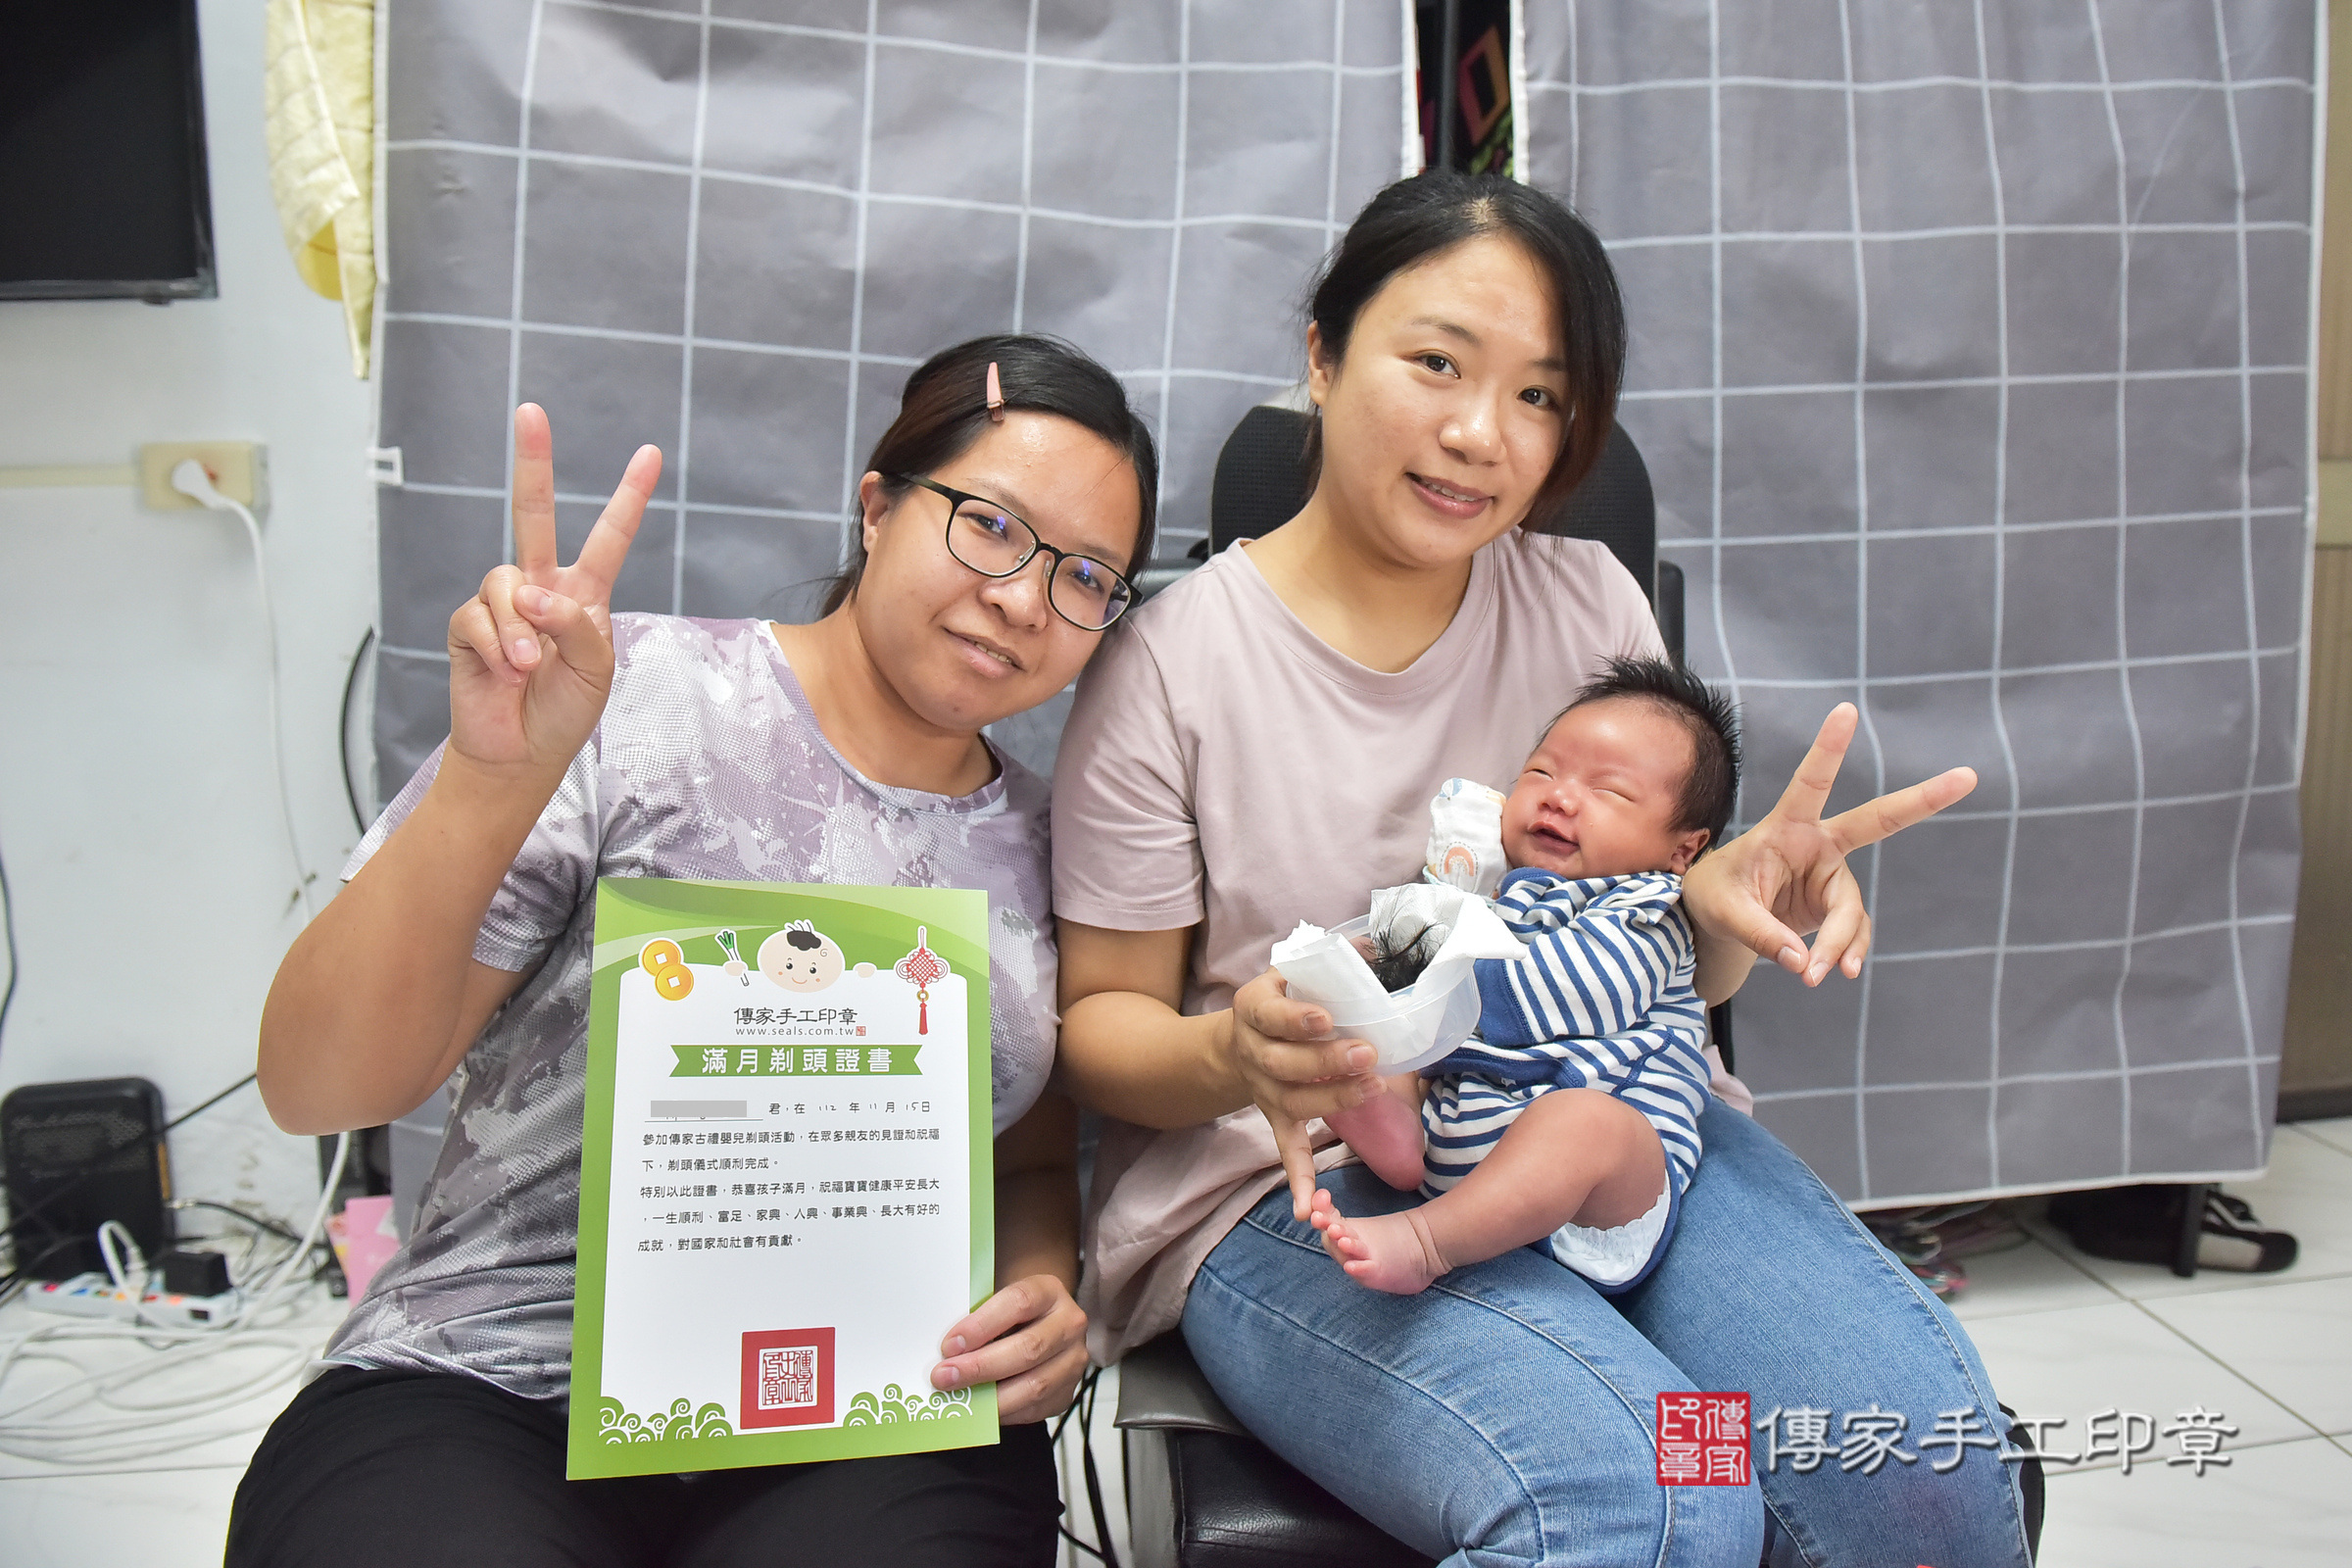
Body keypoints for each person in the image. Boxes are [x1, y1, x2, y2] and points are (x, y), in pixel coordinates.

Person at [1051, 172, 2033, 1567]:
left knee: (1919, 1478)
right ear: (1323, 353)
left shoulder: (1588, 603)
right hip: (1299, 1178)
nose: (1480, 434)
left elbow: (1669, 962)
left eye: (1539, 396)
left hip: (1615, 1136)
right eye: (1438, 363)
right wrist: (1242, 1056)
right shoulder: (1169, 662)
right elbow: (1101, 1027)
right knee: (1656, 1494)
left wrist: (1726, 904)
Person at [231, 335, 1156, 1568]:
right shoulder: (624, 700)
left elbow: (1028, 1160)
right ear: (877, 507)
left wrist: (1039, 1286)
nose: (1026, 600)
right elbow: (318, 1088)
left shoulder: (1050, 842)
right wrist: (487, 784)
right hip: (498, 1369)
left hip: (867, 1404)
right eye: (990, 525)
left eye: (1087, 575)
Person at [1309, 657, 1738, 1298]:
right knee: (1380, 1042)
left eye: (1609, 791)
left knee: (1584, 1122)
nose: (1559, 796)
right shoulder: (1493, 895)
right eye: (1541, 772)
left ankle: (1426, 1243)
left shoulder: (1650, 906)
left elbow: (1559, 993)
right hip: (1467, 1152)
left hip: (1600, 1193)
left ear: (1682, 849)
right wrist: (1359, 980)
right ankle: (1393, 1137)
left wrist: (1418, 970)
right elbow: (1410, 960)